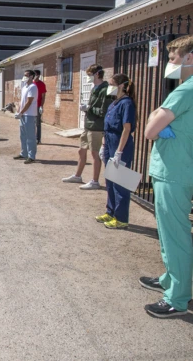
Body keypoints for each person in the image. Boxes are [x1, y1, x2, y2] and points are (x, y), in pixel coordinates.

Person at [140, 34, 193, 318]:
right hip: (179, 169)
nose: (169, 64)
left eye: (173, 58)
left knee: (175, 235)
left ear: (189, 58)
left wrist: (155, 117)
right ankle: (172, 279)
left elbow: (150, 129)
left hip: (174, 171)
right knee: (170, 232)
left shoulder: (186, 90)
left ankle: (178, 298)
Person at [94, 74, 136, 230]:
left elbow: (127, 128)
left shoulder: (127, 103)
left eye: (112, 84)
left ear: (122, 86)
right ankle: (110, 211)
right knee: (110, 180)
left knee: (121, 183)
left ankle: (121, 218)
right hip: (110, 141)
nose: (109, 87)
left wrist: (119, 151)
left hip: (120, 143)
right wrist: (104, 145)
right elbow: (106, 126)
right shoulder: (114, 103)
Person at [62, 64, 113, 189]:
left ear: (97, 74)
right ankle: (78, 175)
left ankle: (95, 181)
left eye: (90, 75)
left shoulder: (105, 89)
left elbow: (104, 111)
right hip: (89, 125)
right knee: (81, 150)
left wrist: (89, 108)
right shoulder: (95, 88)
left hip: (97, 126)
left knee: (95, 154)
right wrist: (87, 109)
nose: (88, 77)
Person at [13, 70, 38, 164]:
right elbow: (21, 101)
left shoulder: (33, 87)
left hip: (30, 115)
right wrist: (18, 111)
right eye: (24, 75)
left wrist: (21, 112)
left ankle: (31, 156)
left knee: (30, 136)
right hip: (23, 115)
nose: (24, 77)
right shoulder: (25, 87)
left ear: (31, 76)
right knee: (23, 135)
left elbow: (29, 101)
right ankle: (24, 153)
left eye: (26, 75)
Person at [33, 70, 47, 145]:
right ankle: (32, 138)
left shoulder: (42, 84)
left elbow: (43, 96)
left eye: (35, 75)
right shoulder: (31, 83)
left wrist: (41, 106)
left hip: (38, 106)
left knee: (38, 123)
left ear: (38, 75)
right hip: (31, 106)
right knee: (31, 123)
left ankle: (38, 139)